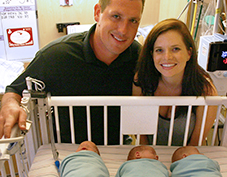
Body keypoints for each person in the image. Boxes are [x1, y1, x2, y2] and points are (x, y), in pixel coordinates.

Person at [0, 0, 145, 145]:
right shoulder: (57, 56)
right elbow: (14, 90)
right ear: (97, 13)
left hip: (118, 148)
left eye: (133, 20)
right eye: (116, 16)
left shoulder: (139, 57)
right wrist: (10, 105)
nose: (123, 30)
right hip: (68, 151)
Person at [133, 18, 218, 146]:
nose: (167, 57)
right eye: (159, 50)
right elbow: (141, 137)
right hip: (149, 155)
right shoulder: (141, 81)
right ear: (152, 55)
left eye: (175, 49)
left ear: (189, 53)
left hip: (188, 156)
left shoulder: (205, 89)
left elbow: (196, 142)